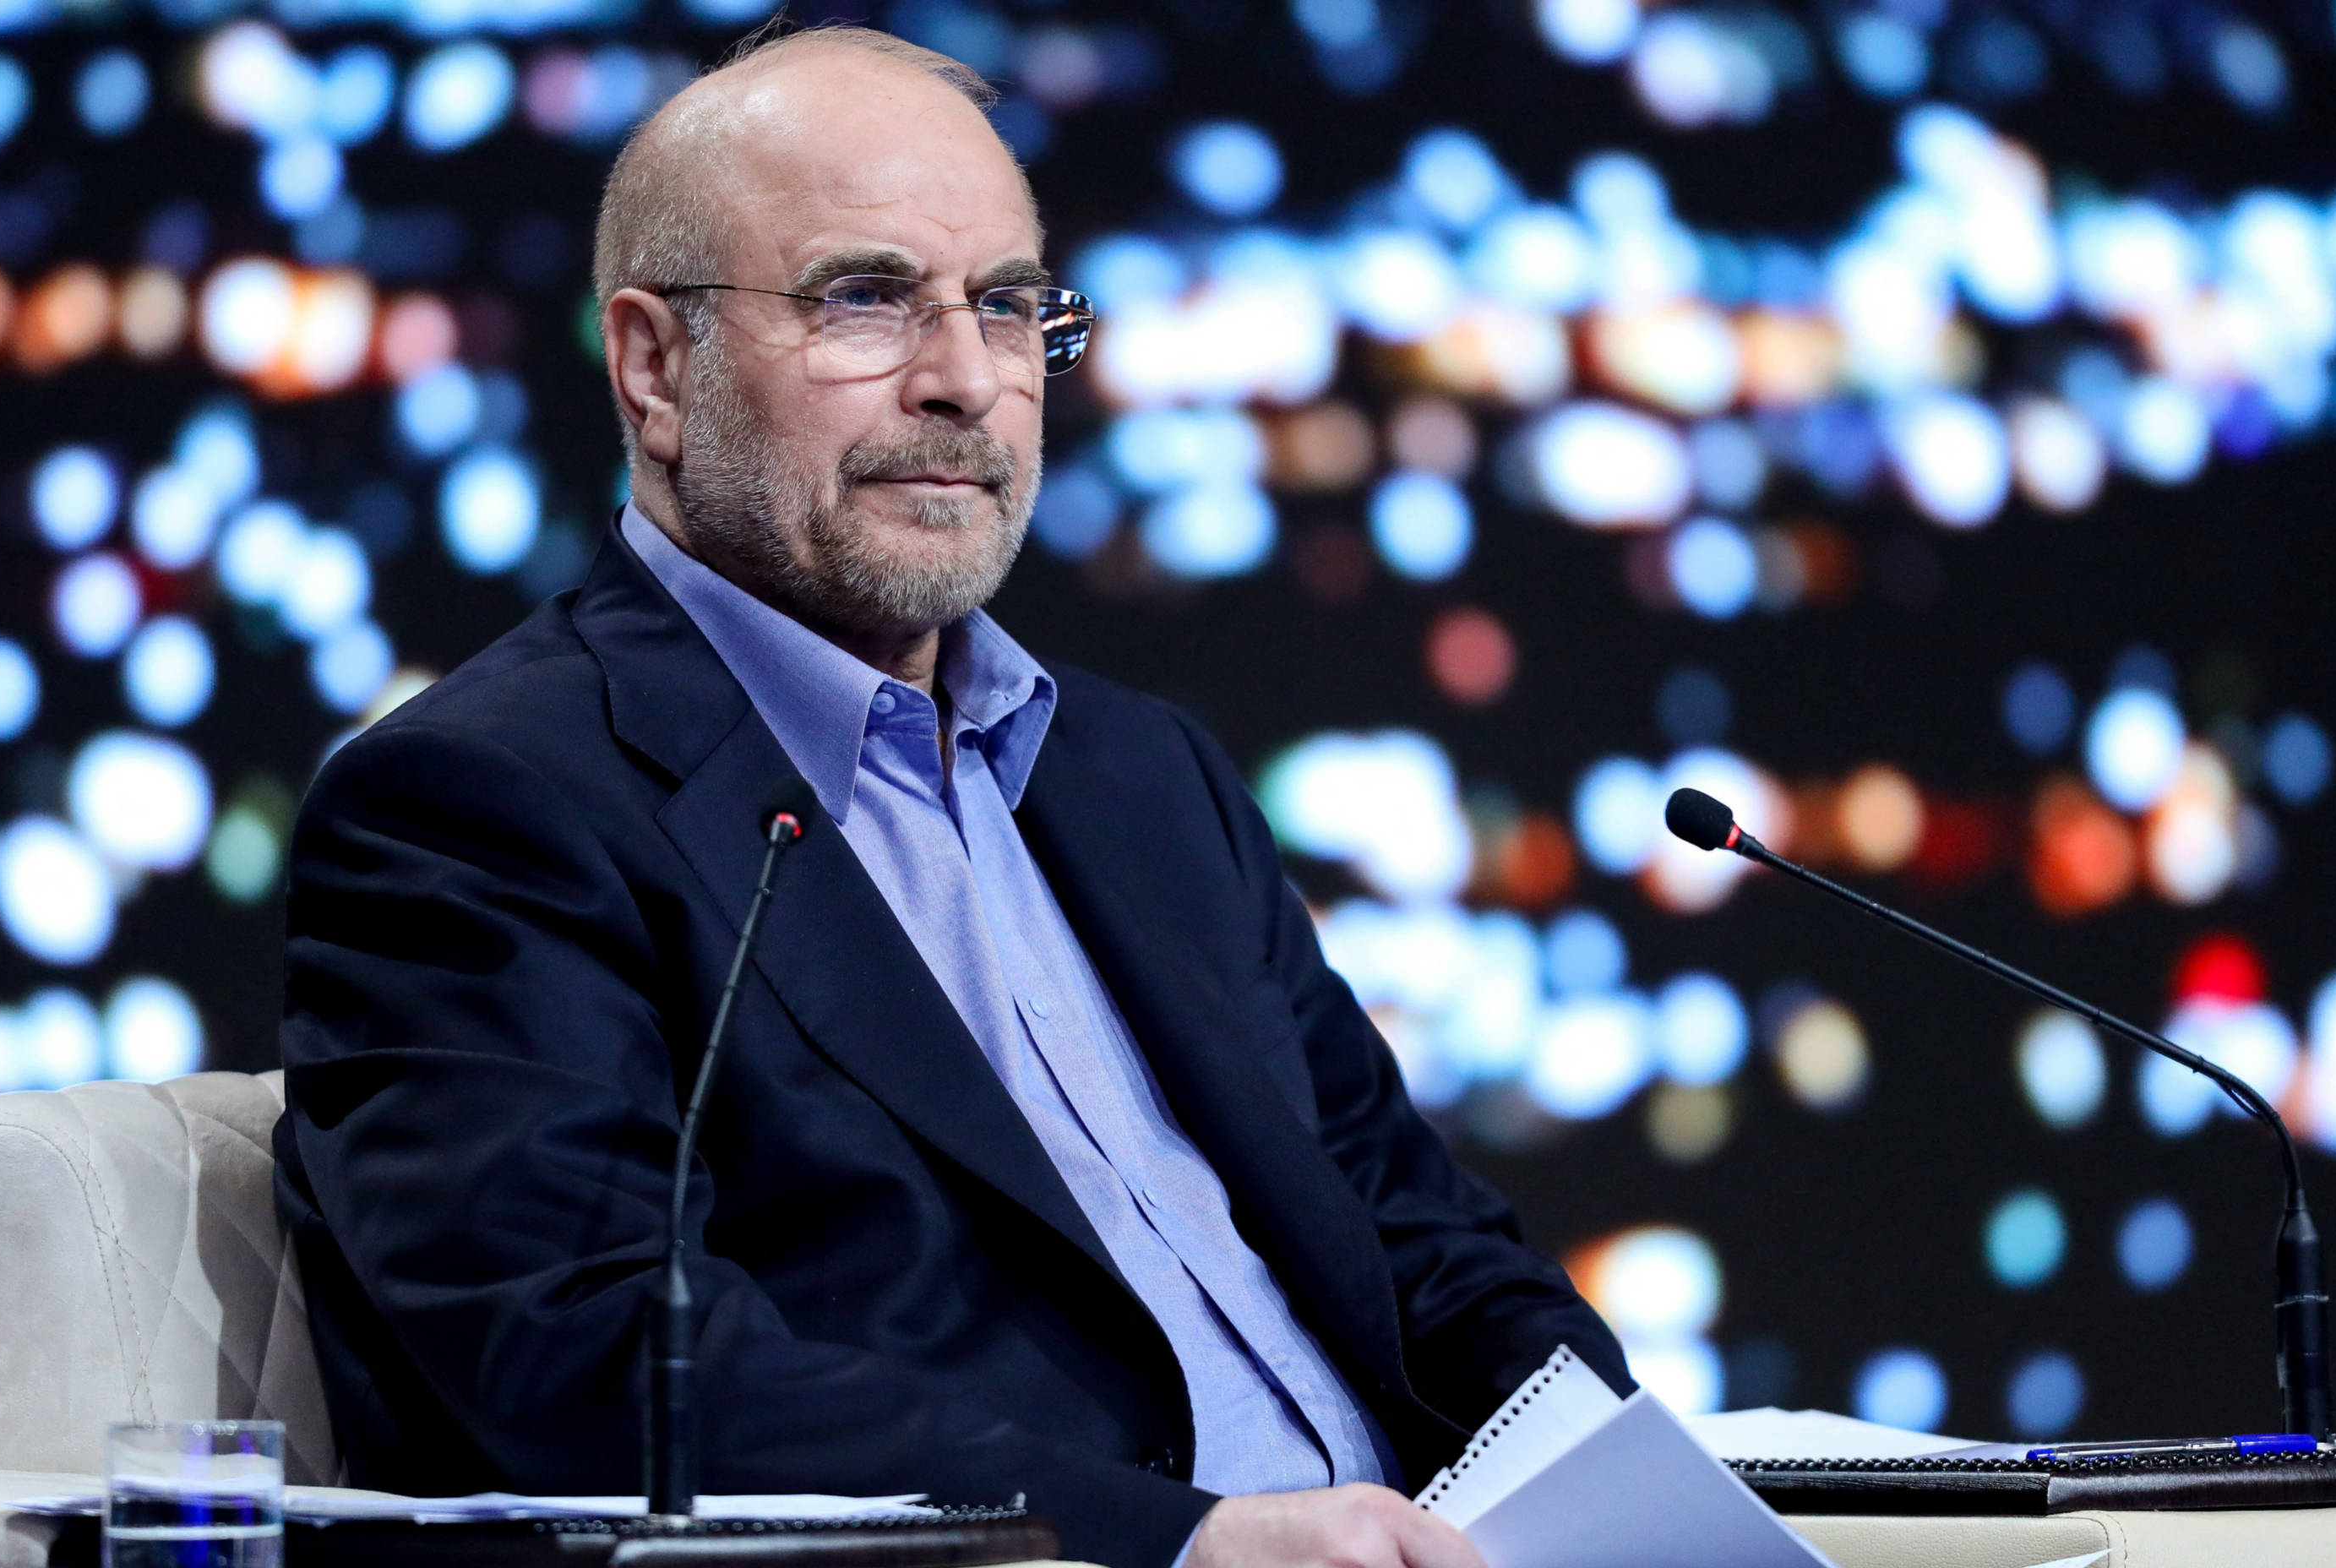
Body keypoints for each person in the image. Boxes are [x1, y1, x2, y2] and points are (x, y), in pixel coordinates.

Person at [273, 27, 1628, 1568]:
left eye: (1006, 306)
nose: (967, 381)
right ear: (654, 367)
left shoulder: (1142, 774)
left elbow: (1421, 1242)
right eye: (864, 299)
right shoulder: (476, 806)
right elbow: (600, 1364)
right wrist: (1181, 1546)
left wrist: (1625, 1493)